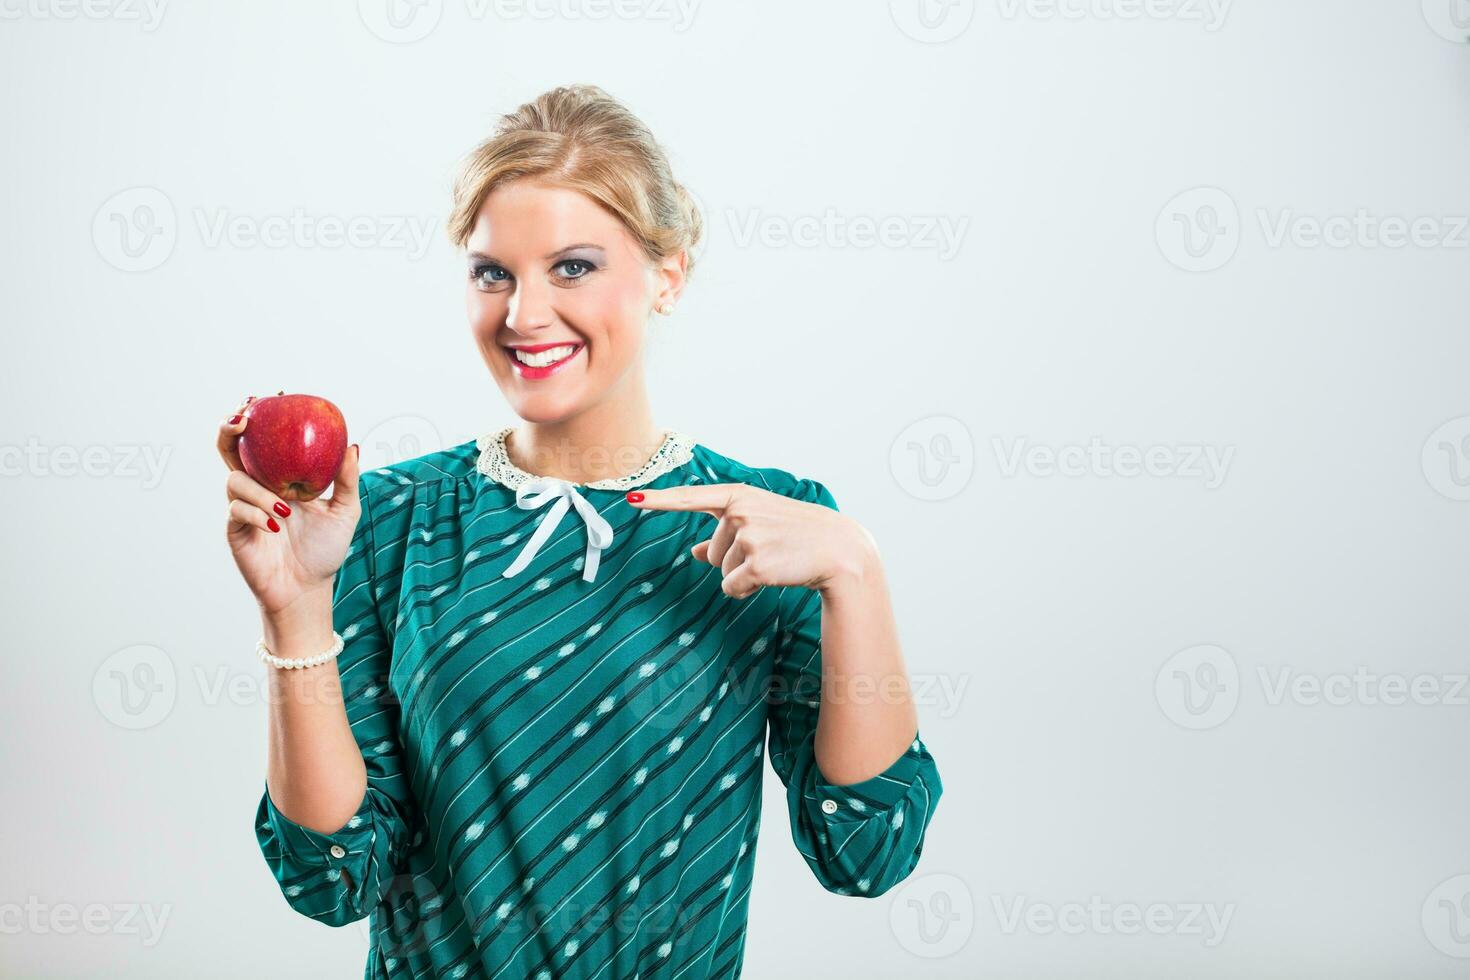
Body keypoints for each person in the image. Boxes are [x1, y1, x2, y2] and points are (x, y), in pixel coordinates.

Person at [220, 83, 942, 979]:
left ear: (667, 274)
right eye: (493, 273)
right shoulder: (386, 519)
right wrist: (294, 614)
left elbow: (868, 854)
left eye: (572, 267)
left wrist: (857, 571)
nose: (523, 314)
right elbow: (332, 879)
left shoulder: (772, 521)